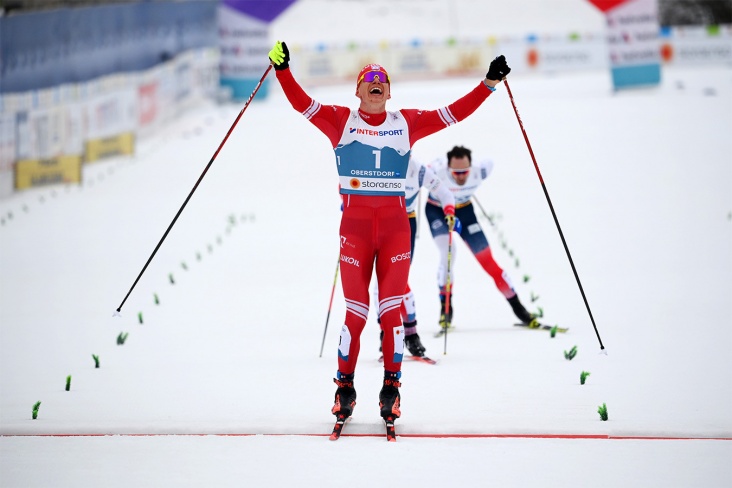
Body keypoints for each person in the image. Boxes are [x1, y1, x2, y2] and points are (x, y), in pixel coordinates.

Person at [267, 41, 511, 428]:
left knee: (391, 312)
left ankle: (391, 389)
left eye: (382, 80)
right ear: (359, 90)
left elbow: (452, 115)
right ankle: (344, 388)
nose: (376, 83)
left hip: (397, 229)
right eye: (369, 79)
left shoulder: (406, 122)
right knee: (356, 314)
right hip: (356, 231)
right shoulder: (340, 121)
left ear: (389, 92)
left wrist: (489, 84)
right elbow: (301, 104)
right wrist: (282, 70)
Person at [425, 145, 538, 332]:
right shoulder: (435, 170)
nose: (461, 176)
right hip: (437, 211)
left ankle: (520, 310)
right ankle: (446, 310)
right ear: (447, 168)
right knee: (447, 255)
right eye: (456, 172)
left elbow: (492, 160)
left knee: (488, 261)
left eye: (465, 172)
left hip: (464, 211)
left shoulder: (482, 168)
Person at [376, 157, 455, 359]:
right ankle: (386, 333)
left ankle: (411, 334)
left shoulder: (419, 170)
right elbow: (349, 181)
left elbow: (444, 192)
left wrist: (449, 212)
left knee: (398, 280)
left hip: (405, 224)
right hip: (379, 223)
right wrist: (347, 204)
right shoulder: (378, 161)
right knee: (381, 281)